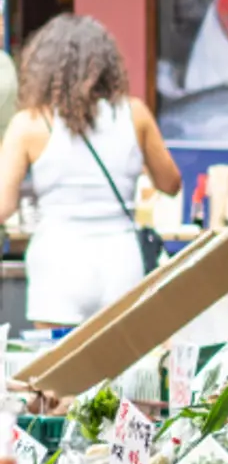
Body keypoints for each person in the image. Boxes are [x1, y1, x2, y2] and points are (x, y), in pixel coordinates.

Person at [0, 16, 182, 326]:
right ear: (107, 66)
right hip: (121, 265)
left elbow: (3, 206)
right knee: (124, 356)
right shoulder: (134, 115)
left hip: (58, 265)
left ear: (44, 67)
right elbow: (171, 183)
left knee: (57, 357)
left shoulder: (30, 124)